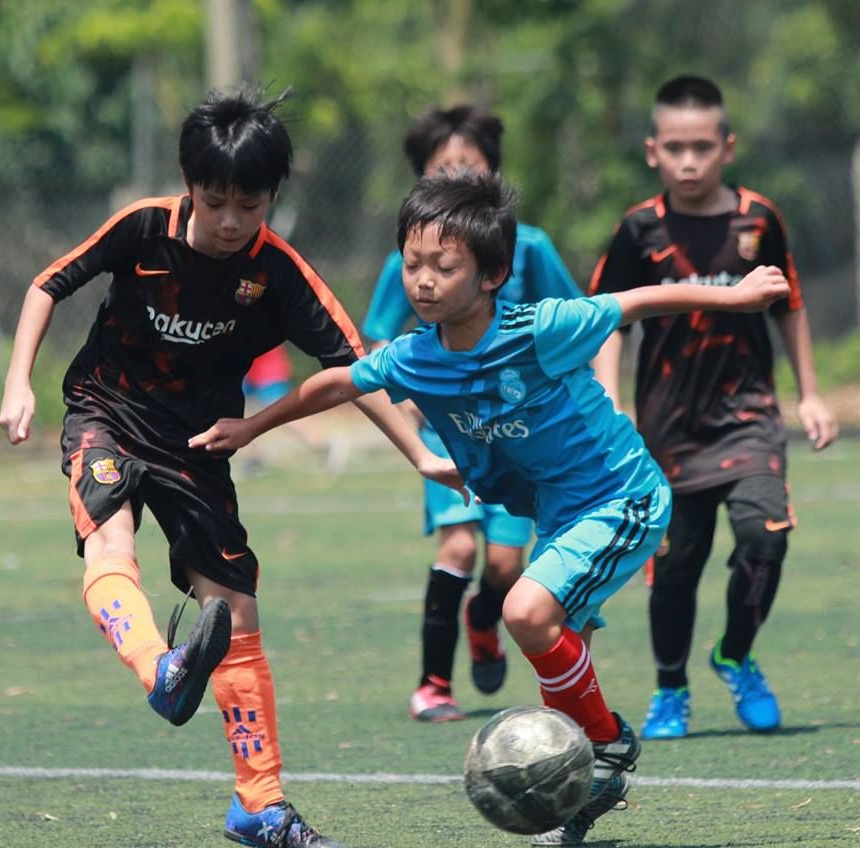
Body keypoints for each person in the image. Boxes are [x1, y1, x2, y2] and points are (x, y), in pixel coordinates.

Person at [188, 171, 793, 844]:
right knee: (558, 664)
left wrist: (735, 297)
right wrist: (250, 426)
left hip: (621, 497)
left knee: (525, 613)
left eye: (442, 267)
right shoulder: (416, 356)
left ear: (492, 274)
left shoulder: (539, 329)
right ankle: (581, 792)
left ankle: (610, 744)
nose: (422, 280)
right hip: (563, 517)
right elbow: (335, 380)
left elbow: (635, 301)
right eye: (412, 263)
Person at [0, 87, 462, 848]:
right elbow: (47, 284)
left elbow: (357, 366)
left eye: (250, 206)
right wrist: (19, 383)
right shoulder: (143, 228)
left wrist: (417, 452)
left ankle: (261, 804)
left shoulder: (278, 272)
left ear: (274, 198)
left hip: (200, 442)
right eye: (216, 203)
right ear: (190, 186)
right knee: (112, 544)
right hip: (105, 413)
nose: (231, 222)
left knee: (239, 612)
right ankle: (163, 674)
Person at [589, 75, 839, 742]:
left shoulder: (759, 220)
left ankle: (734, 652)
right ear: (653, 152)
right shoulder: (639, 231)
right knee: (675, 566)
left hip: (750, 416)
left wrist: (809, 393)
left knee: (764, 537)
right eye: (676, 147)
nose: (689, 160)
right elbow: (605, 322)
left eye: (702, 146)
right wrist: (610, 406)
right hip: (666, 431)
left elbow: (789, 304)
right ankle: (671, 688)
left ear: (728, 147)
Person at [362, 104, 582, 722]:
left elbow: (575, 320)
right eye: (443, 167)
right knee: (458, 548)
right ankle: (433, 684)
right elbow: (377, 342)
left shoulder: (528, 248)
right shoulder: (404, 259)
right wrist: (408, 403)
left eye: (469, 163)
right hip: (453, 439)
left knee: (508, 566)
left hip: (523, 440)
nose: (457, 173)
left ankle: (484, 619)